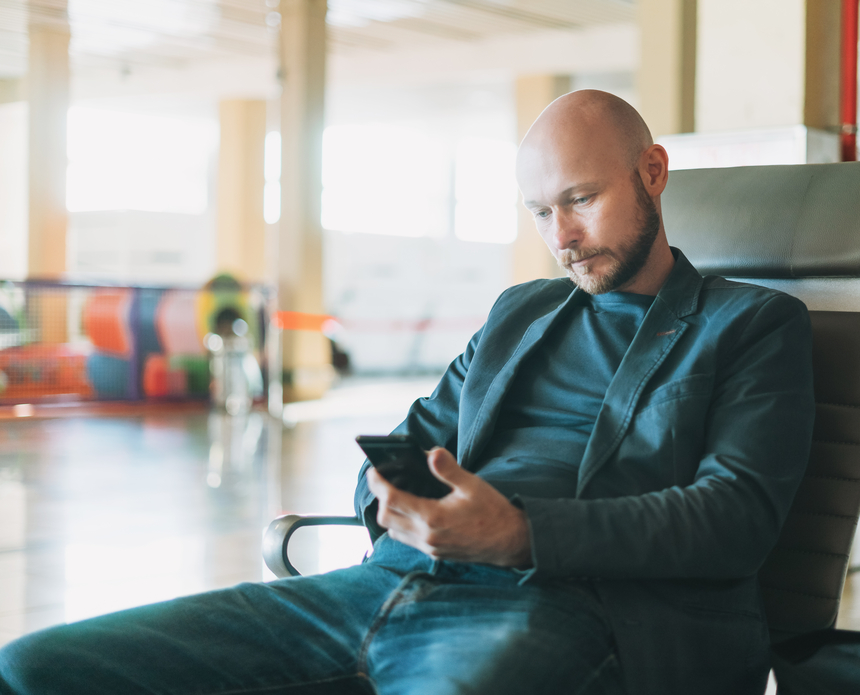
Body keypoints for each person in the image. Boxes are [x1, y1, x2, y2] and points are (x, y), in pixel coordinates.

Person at [0, 90, 814, 695]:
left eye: (580, 200)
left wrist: (520, 535)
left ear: (652, 172)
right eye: (540, 211)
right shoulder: (521, 312)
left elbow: (733, 517)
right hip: (388, 582)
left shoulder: (750, 325)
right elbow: (414, 435)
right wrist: (393, 504)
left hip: (568, 605)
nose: (560, 237)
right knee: (36, 670)